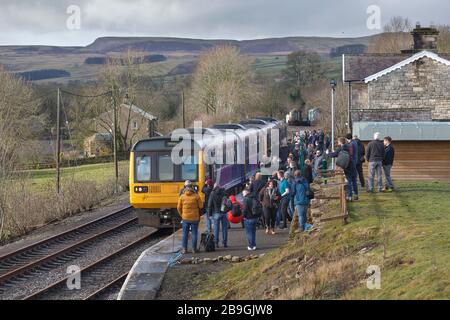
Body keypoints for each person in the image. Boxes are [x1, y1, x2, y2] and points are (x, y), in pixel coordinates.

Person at [177, 182, 203, 254]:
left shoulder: (182, 197)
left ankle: (184, 249)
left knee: (185, 234)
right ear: (192, 187)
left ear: (185, 187)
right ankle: (194, 249)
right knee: (194, 233)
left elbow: (178, 208)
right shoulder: (196, 196)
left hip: (185, 218)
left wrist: (182, 215)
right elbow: (201, 206)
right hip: (195, 218)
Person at [207, 183, 228, 248]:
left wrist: (209, 214)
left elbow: (209, 205)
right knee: (225, 228)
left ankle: (216, 243)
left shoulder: (212, 194)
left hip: (216, 213)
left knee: (216, 229)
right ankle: (224, 242)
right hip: (224, 213)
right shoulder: (223, 192)